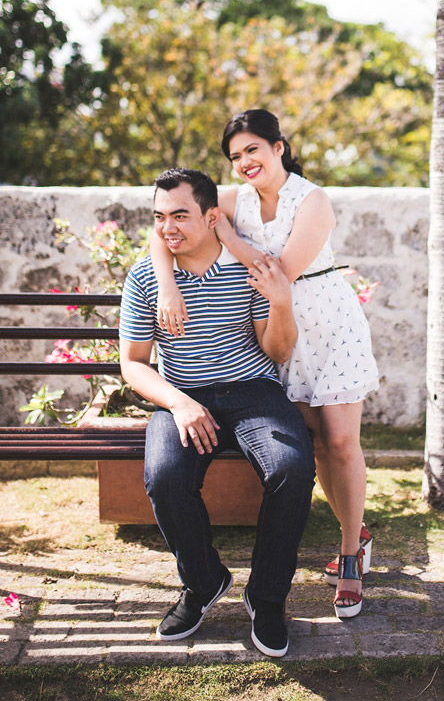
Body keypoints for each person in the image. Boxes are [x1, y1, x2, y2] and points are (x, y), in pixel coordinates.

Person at [151, 110, 379, 619]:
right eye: (235, 156)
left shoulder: (312, 200)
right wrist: (166, 284)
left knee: (342, 441)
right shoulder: (235, 200)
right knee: (314, 442)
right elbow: (163, 228)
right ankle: (357, 529)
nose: (244, 162)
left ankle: (349, 556)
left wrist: (228, 238)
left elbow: (279, 272)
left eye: (252, 149)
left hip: (327, 326)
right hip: (277, 331)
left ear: (279, 146)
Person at [119, 167, 315, 658]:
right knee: (165, 477)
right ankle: (204, 582)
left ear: (212, 218)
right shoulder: (146, 278)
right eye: (160, 217)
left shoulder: (246, 269)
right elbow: (133, 364)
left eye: (180, 216)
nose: (168, 228)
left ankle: (267, 597)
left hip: (253, 391)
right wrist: (179, 402)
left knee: (292, 469)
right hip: (183, 395)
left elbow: (277, 351)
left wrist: (281, 306)